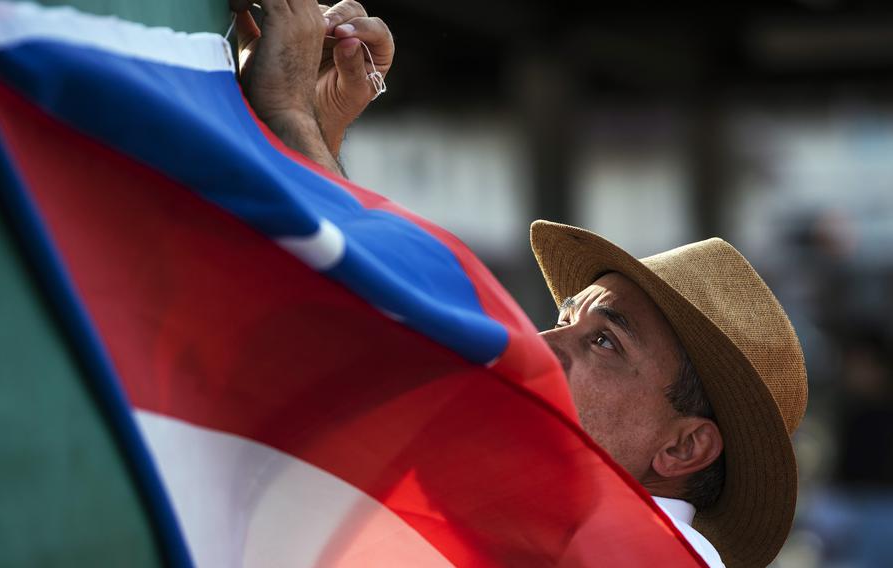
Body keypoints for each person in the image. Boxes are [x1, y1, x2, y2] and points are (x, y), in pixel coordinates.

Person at [226, 2, 809, 566]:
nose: (539, 343)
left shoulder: (649, 552)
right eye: (564, 321)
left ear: (683, 448)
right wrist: (306, 137)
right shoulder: (551, 524)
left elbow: (381, 351)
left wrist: (297, 123)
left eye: (605, 342)